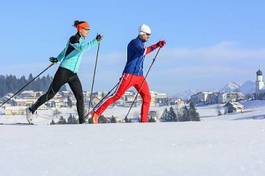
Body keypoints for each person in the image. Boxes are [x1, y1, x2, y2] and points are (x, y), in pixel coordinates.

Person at [26, 20, 103, 124]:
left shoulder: (80, 40)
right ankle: (31, 110)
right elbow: (81, 49)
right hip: (64, 71)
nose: (88, 32)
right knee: (50, 95)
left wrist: (57, 59)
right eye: (86, 29)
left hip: (73, 74)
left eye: (88, 30)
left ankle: (82, 122)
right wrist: (95, 41)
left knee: (80, 97)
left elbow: (65, 51)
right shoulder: (74, 38)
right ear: (80, 29)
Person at [90, 24, 165, 123]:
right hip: (129, 75)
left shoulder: (141, 43)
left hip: (140, 76)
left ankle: (144, 122)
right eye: (147, 35)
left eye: (149, 35)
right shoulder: (134, 43)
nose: (148, 37)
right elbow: (143, 52)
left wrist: (157, 45)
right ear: (142, 34)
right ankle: (96, 113)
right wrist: (156, 45)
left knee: (147, 97)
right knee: (116, 95)